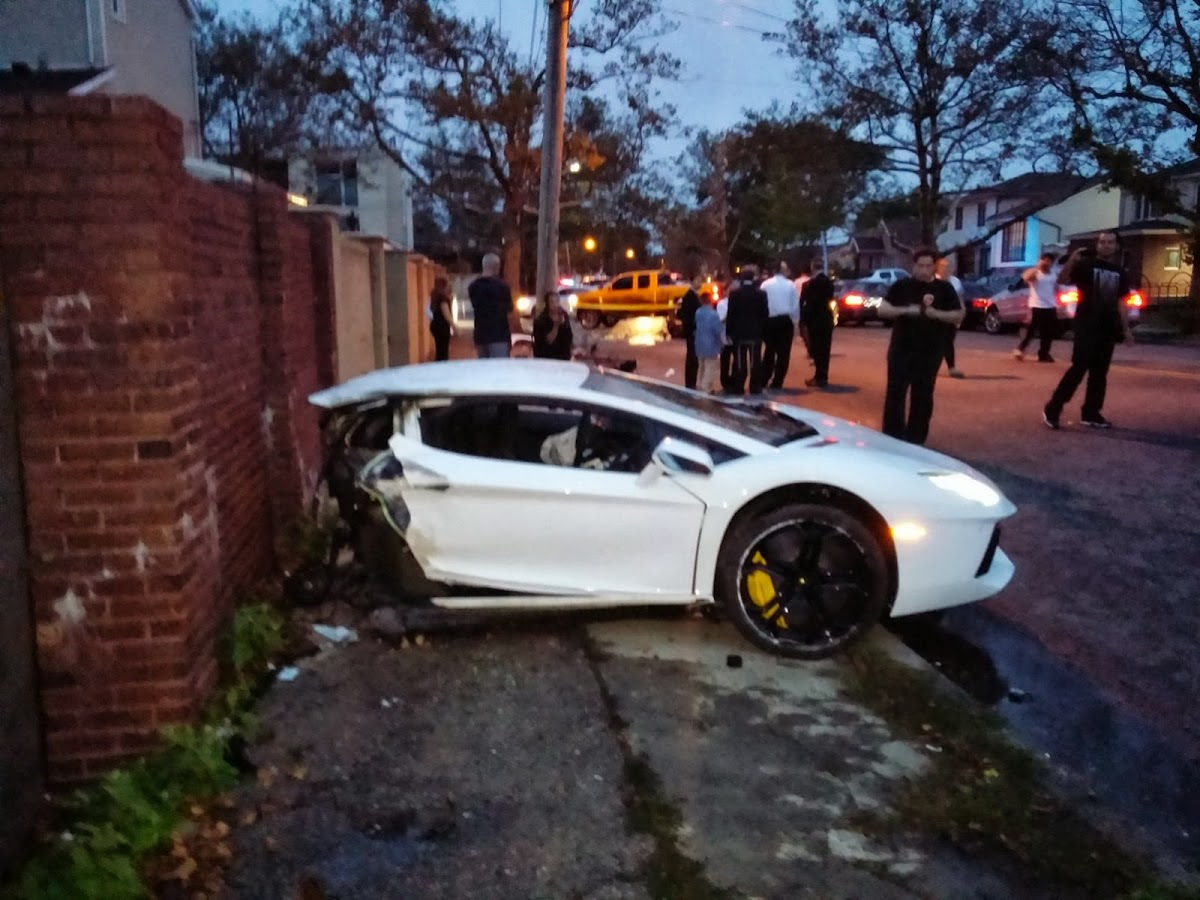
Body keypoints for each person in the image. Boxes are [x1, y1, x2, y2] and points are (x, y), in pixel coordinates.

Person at [1043, 231, 1133, 430]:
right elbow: (1062, 280)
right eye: (1102, 242)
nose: (1106, 245)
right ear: (1097, 245)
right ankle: (1053, 407)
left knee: (1100, 373)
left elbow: (1121, 302)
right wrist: (1072, 260)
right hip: (1086, 324)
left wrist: (1126, 329)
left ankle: (1091, 413)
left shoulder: (1120, 272)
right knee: (1079, 368)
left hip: (1108, 327)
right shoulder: (1086, 265)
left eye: (1110, 242)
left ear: (1117, 246)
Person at [878, 247, 965, 445]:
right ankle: (892, 438)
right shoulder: (902, 286)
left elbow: (958, 315)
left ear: (934, 266)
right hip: (901, 349)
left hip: (930, 352)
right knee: (895, 394)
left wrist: (937, 314)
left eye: (928, 266)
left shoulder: (944, 288)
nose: (924, 270)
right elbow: (883, 310)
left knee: (923, 396)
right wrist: (906, 310)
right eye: (920, 266)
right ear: (914, 265)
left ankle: (916, 439)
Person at [724, 265, 769, 395]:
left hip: (739, 333)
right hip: (755, 332)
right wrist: (763, 330)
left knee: (740, 362)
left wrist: (729, 333)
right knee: (755, 361)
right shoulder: (760, 294)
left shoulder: (735, 294)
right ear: (753, 278)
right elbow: (764, 313)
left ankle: (739, 386)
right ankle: (755, 386)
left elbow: (731, 315)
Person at [468, 252, 522, 358]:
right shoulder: (502, 287)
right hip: (499, 335)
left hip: (480, 334)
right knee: (499, 369)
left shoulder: (473, 287)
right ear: (497, 266)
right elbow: (510, 312)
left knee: (484, 369)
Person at [761, 261, 800, 390]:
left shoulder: (765, 285)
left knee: (769, 351)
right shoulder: (790, 285)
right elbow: (795, 305)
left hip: (769, 321)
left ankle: (764, 378)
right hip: (785, 321)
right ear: (783, 270)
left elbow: (761, 304)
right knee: (784, 353)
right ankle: (778, 381)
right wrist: (795, 321)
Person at [1014, 251, 1060, 362]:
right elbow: (1025, 278)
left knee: (1048, 333)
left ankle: (1044, 354)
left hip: (1050, 306)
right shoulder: (1035, 273)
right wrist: (1037, 268)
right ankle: (1020, 349)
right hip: (1037, 305)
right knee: (1031, 330)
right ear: (1041, 260)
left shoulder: (1054, 274)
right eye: (1045, 260)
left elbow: (1056, 287)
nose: (1047, 263)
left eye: (1050, 261)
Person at [799, 260, 835, 388]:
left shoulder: (808, 284)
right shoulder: (829, 283)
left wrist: (803, 319)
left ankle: (818, 376)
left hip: (814, 320)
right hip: (826, 318)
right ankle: (823, 375)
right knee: (825, 349)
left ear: (812, 267)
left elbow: (804, 303)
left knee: (815, 347)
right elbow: (830, 299)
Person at [935, 257, 965, 378]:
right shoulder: (933, 281)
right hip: (936, 316)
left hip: (951, 316)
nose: (945, 269)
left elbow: (960, 298)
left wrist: (962, 314)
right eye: (942, 266)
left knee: (948, 342)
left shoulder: (955, 281)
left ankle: (951, 367)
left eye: (948, 266)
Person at [693, 293, 724, 393]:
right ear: (710, 301)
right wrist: (722, 342)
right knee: (710, 367)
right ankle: (707, 388)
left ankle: (699, 385)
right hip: (711, 344)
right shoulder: (713, 314)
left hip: (699, 343)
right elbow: (717, 330)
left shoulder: (698, 312)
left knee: (701, 366)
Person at [532, 291, 574, 360]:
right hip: (547, 357)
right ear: (547, 304)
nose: (555, 304)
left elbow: (569, 335)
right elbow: (549, 341)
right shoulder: (541, 320)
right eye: (552, 302)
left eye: (557, 301)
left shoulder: (564, 315)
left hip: (563, 357)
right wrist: (556, 326)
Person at [678, 276, 703, 389]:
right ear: (692, 282)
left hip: (694, 331)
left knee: (694, 357)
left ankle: (692, 382)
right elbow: (685, 314)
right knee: (692, 357)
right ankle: (690, 383)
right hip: (692, 331)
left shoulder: (694, 295)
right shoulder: (689, 296)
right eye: (698, 280)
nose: (700, 283)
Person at [428, 276, 454, 362]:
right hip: (442, 326)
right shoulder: (443, 298)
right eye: (447, 285)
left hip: (435, 325)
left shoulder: (434, 296)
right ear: (444, 286)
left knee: (439, 350)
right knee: (443, 351)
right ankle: (442, 369)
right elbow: (446, 313)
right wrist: (454, 326)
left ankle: (438, 366)